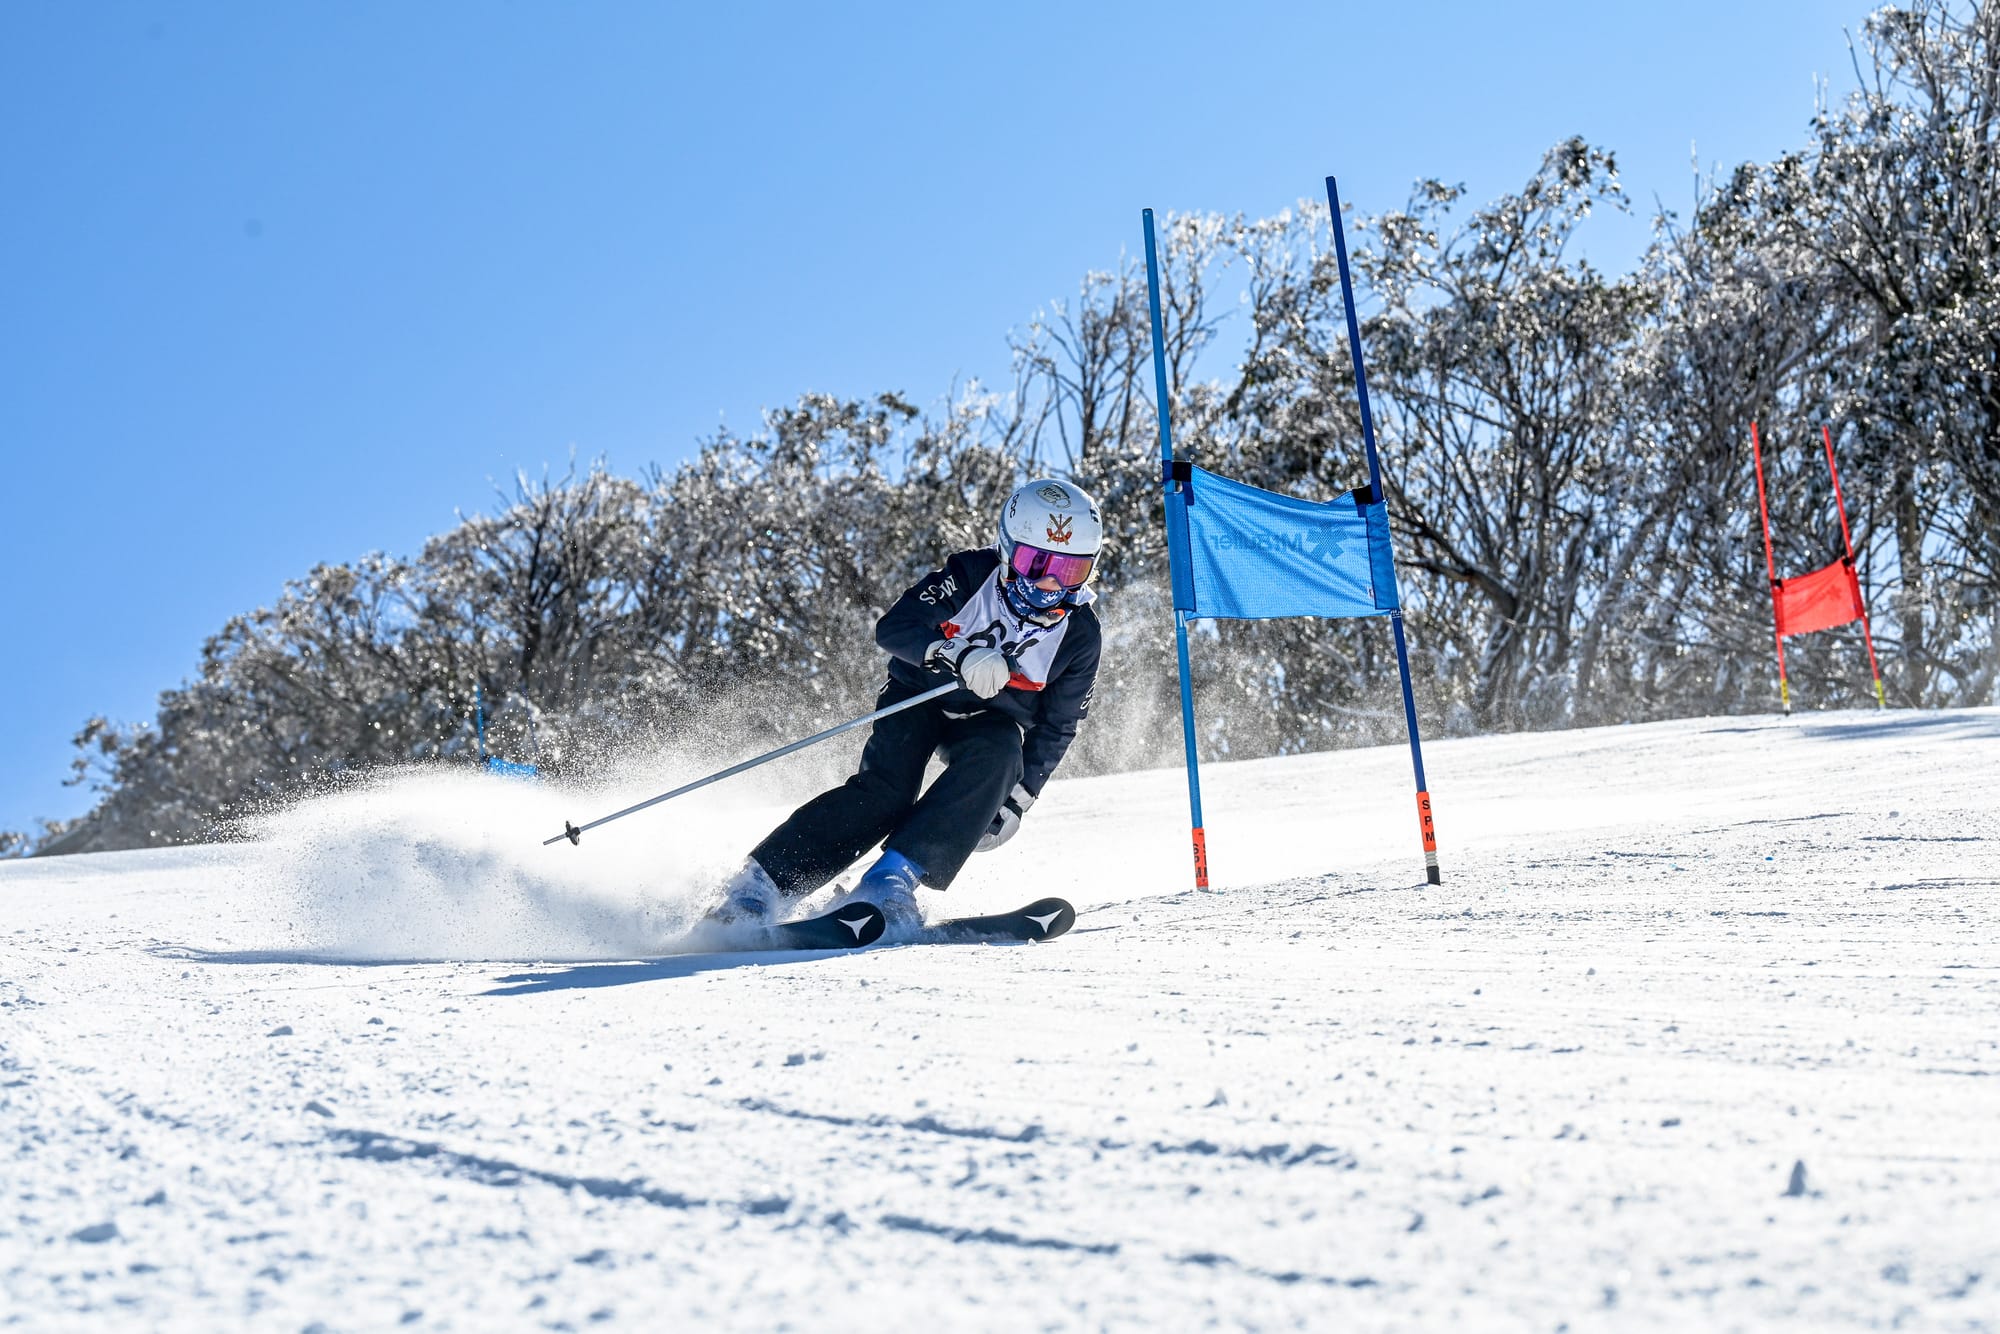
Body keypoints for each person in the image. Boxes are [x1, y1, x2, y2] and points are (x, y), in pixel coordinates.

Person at [708, 477, 1105, 935]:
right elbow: (895, 627)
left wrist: (1019, 799)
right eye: (1035, 564)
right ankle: (760, 886)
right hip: (919, 694)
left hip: (990, 719)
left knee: (1000, 757)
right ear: (1007, 547)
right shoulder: (970, 576)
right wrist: (952, 652)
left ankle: (889, 882)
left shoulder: (1079, 634)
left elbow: (1058, 725)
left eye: (1070, 571)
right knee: (886, 793)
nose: (1049, 584)